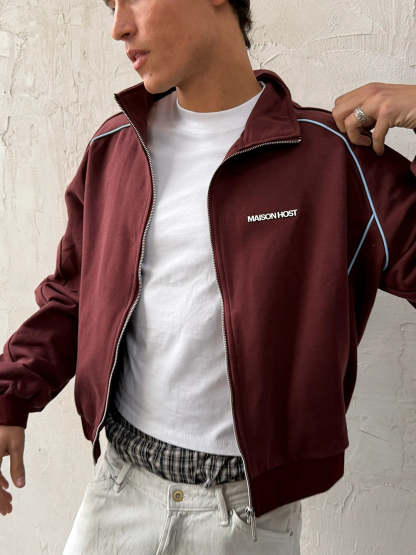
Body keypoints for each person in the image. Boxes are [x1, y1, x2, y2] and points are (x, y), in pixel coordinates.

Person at [0, 0, 415, 553]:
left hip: (245, 516)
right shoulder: (116, 147)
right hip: (116, 492)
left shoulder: (331, 158)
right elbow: (74, 296)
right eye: (110, 6)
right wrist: (10, 397)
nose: (118, 27)